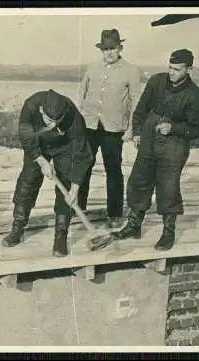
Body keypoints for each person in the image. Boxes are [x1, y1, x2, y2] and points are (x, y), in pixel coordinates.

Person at [111, 49, 199, 251]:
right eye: (170, 67)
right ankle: (134, 226)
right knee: (139, 182)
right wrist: (137, 131)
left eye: (177, 69)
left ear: (189, 69)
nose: (171, 72)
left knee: (168, 189)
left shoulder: (195, 95)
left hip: (174, 147)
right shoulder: (156, 81)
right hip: (148, 140)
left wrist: (174, 128)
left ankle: (168, 233)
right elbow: (141, 109)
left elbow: (197, 129)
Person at [2, 89, 93, 257]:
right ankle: (18, 228)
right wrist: (41, 160)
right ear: (41, 110)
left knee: (65, 183)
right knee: (28, 180)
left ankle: (61, 235)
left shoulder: (73, 117)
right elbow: (25, 136)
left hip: (64, 147)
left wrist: (74, 188)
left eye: (58, 121)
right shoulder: (31, 105)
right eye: (49, 120)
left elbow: (81, 154)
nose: (53, 125)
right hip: (37, 144)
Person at [77, 29, 142, 228]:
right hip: (89, 125)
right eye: (105, 49)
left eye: (112, 48)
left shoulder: (131, 70)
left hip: (113, 129)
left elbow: (136, 101)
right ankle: (78, 208)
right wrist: (78, 121)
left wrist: (131, 128)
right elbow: (82, 93)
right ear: (101, 50)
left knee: (113, 169)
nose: (109, 53)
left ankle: (114, 214)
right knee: (83, 167)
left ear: (120, 48)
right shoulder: (92, 67)